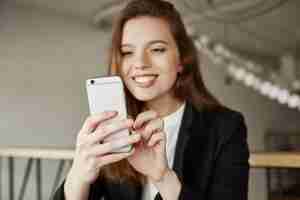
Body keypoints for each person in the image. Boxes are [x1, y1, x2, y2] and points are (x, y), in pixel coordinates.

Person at [53, 0, 249, 199]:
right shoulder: (112, 127)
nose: (140, 63)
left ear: (181, 59)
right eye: (128, 52)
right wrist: (79, 174)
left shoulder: (225, 127)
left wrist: (163, 177)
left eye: (157, 49)